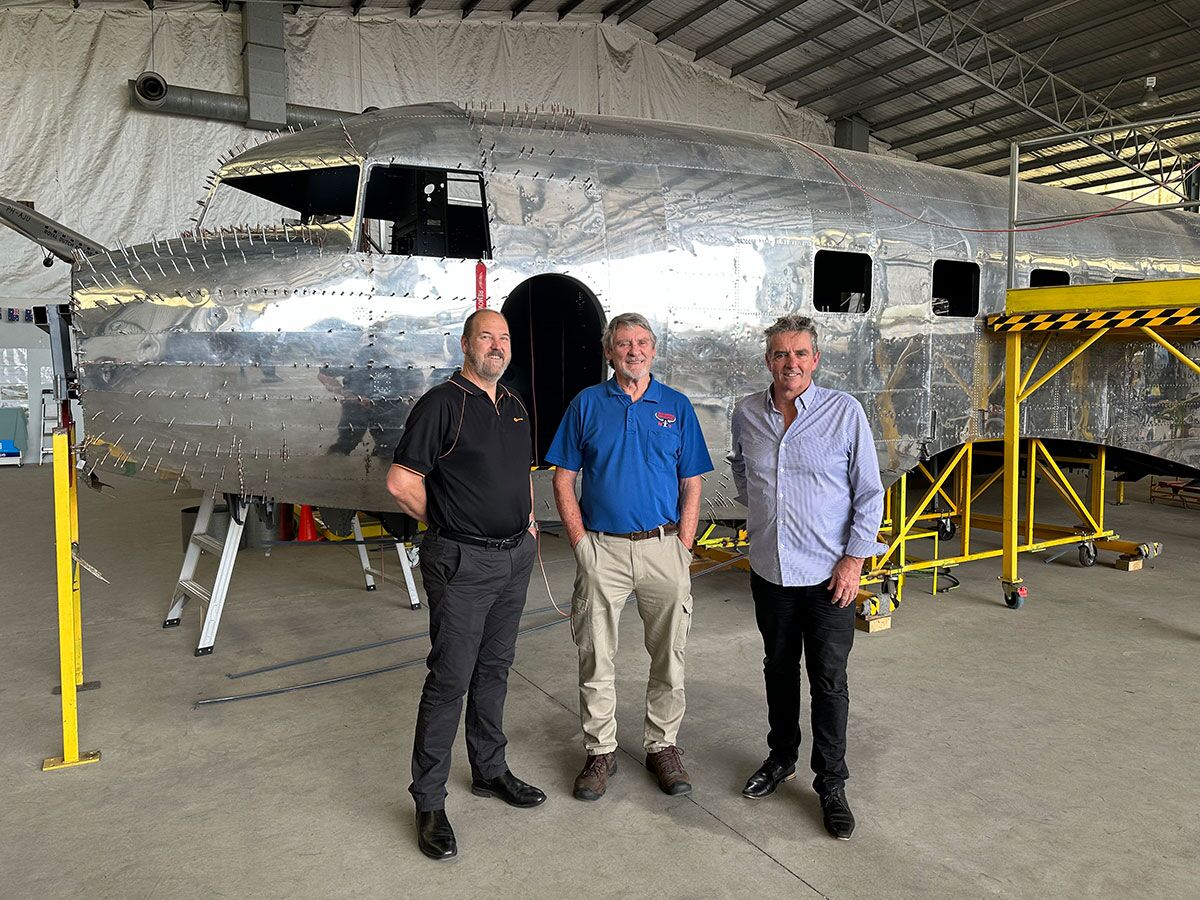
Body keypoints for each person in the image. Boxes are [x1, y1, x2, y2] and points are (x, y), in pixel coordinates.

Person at [386, 309, 544, 862]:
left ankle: (489, 770)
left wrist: (525, 524)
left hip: (513, 559)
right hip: (463, 564)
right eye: (486, 337)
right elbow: (401, 482)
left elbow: (520, 475)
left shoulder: (517, 405)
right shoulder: (442, 403)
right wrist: (449, 522)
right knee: (450, 678)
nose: (496, 347)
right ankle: (428, 800)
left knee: (495, 668)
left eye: (504, 338)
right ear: (464, 345)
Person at [728, 314, 885, 841]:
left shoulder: (844, 412)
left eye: (799, 354)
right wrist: (764, 520)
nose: (789, 363)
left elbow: (869, 492)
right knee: (777, 668)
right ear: (767, 360)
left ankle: (831, 782)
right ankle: (781, 758)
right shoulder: (748, 412)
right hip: (770, 571)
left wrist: (854, 560)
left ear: (815, 360)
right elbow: (742, 472)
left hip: (828, 578)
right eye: (779, 354)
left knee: (828, 681)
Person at [546, 312, 713, 801]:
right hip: (604, 551)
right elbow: (563, 479)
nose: (634, 351)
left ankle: (663, 746)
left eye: (642, 343)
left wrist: (682, 547)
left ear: (653, 351)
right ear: (609, 352)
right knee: (595, 655)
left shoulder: (676, 406)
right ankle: (601, 752)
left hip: (664, 550)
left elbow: (692, 482)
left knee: (669, 657)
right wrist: (581, 546)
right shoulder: (586, 405)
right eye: (624, 344)